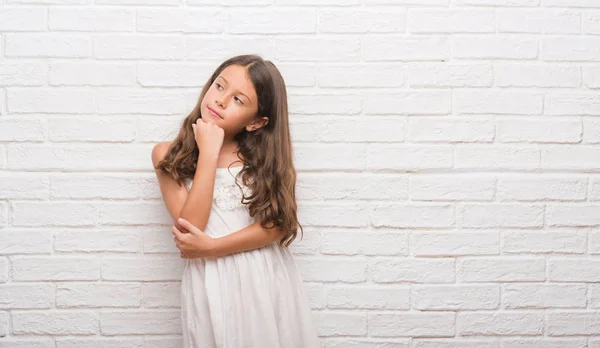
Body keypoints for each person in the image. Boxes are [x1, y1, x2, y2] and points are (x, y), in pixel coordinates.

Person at [151, 54, 320, 348]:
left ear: (257, 122)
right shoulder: (167, 154)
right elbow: (190, 225)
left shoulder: (266, 160)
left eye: (238, 100)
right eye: (219, 86)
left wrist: (213, 247)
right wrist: (209, 152)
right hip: (209, 280)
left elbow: (277, 225)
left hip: (261, 277)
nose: (219, 100)